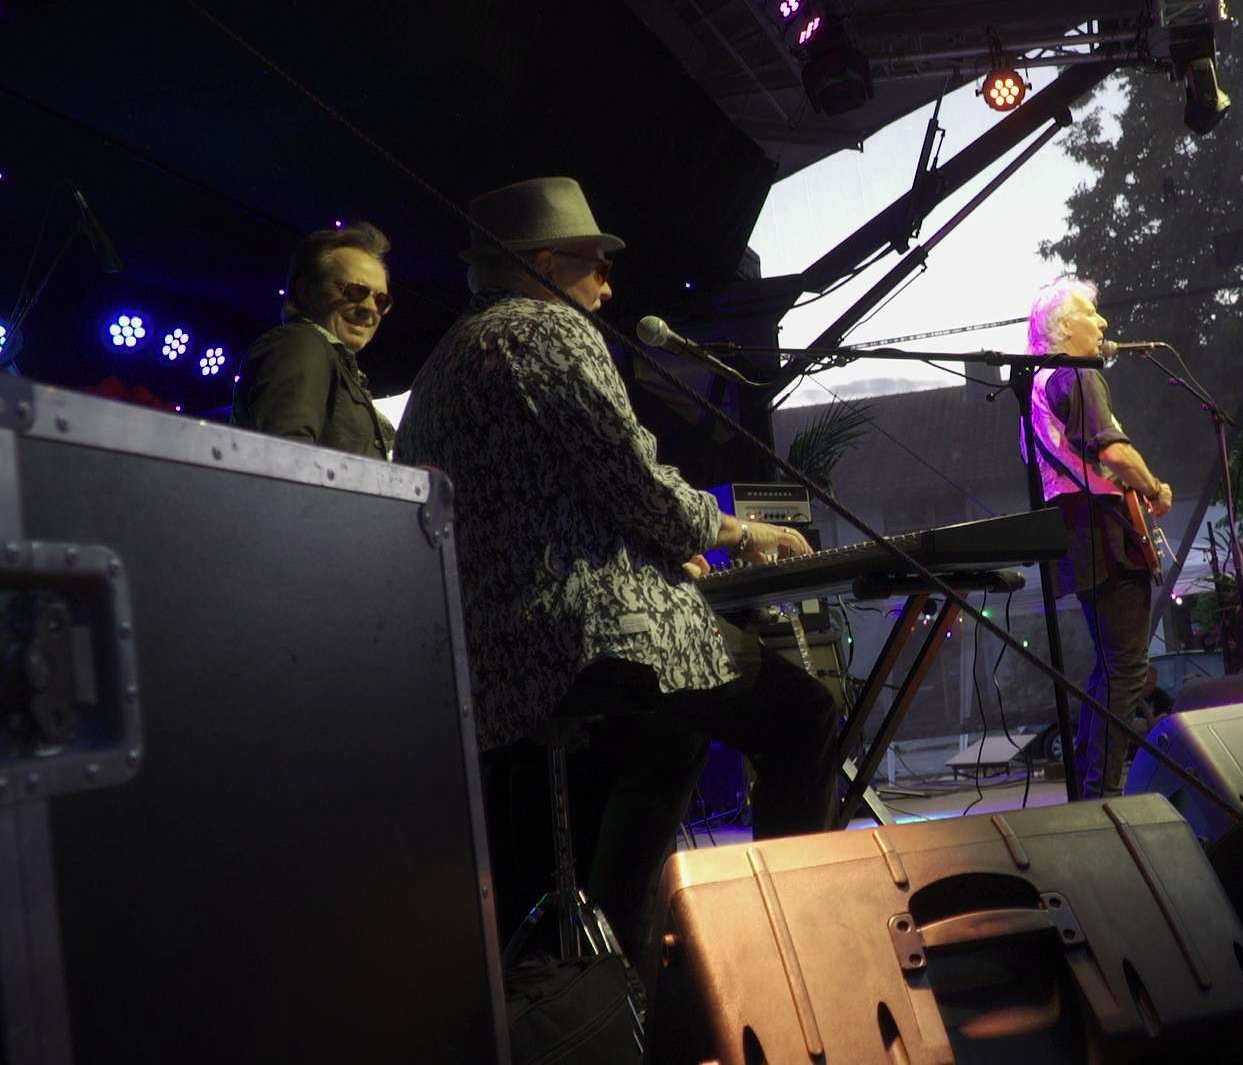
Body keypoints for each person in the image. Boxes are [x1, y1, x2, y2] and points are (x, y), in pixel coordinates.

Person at [393, 177, 840, 957]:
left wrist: (652, 551)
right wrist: (739, 531)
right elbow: (635, 484)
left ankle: (627, 973)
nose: (608, 285)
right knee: (803, 715)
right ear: (543, 264)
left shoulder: (443, 366)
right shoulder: (546, 330)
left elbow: (545, 502)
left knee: (670, 737)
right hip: (590, 637)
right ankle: (794, 950)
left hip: (495, 660)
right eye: (596, 263)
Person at [1023, 276, 1174, 799]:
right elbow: (1111, 450)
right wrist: (1153, 487)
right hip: (1105, 532)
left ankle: (1093, 788)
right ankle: (1104, 793)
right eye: (1091, 313)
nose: (1104, 322)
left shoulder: (1039, 384)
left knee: (1111, 669)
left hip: (1076, 532)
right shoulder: (1077, 374)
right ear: (1065, 328)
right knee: (1128, 669)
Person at [232, 221, 397, 458]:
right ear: (306, 292)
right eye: (355, 291)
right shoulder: (300, 344)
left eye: (381, 301)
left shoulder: (329, 360)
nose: (370, 308)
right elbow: (285, 458)